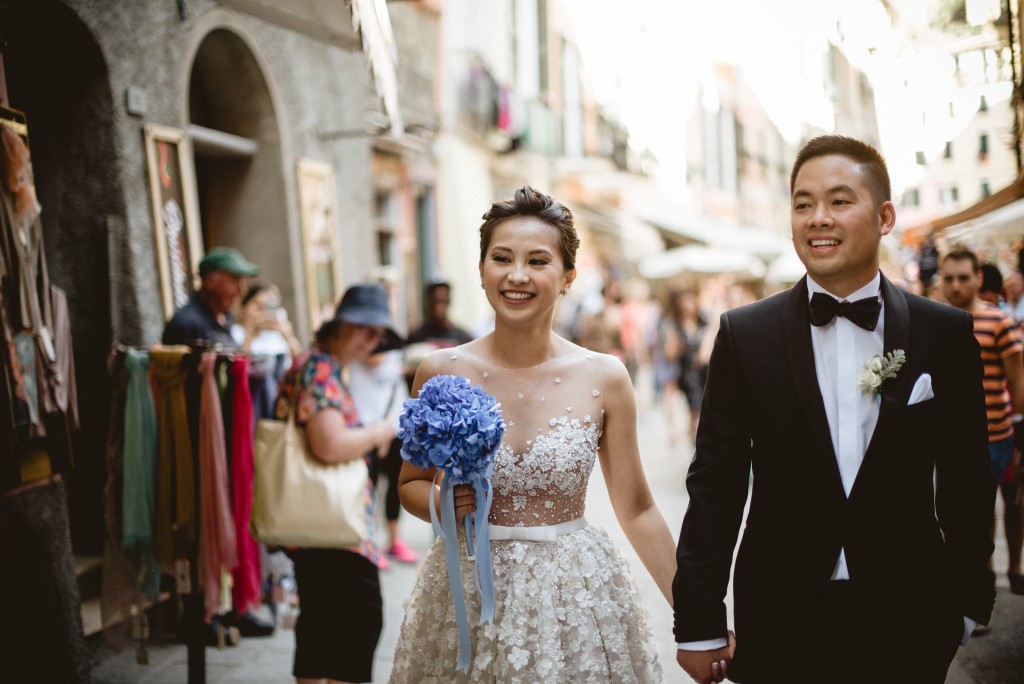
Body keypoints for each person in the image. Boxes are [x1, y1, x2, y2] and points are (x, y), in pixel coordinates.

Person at [673, 135, 995, 684]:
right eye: (803, 204)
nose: (817, 218)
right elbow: (715, 486)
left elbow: (967, 478)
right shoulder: (743, 335)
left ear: (885, 215)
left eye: (840, 201)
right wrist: (699, 621)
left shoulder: (946, 333)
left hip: (911, 615)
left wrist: (967, 602)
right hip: (780, 616)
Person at [388, 186, 677, 681]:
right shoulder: (439, 372)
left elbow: (637, 508)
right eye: (502, 258)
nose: (517, 275)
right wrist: (440, 500)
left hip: (573, 597)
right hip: (467, 591)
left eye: (537, 261)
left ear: (566, 278)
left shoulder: (605, 376)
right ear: (482, 271)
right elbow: (409, 483)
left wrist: (697, 617)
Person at [273, 282, 401, 684]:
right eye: (366, 328)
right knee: (360, 620)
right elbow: (328, 445)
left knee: (321, 625)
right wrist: (380, 430)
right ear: (342, 323)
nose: (373, 339)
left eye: (379, 333)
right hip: (331, 525)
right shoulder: (321, 369)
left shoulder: (318, 364)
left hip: (319, 524)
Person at [940, 249, 1024, 597]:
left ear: (977, 279)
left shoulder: (999, 321)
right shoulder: (937, 323)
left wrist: (1021, 437)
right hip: (957, 441)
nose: (956, 285)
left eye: (963, 277)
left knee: (1011, 506)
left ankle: (1015, 568)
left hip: (1000, 436)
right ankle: (983, 583)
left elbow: (1018, 380)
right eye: (948, 278)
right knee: (976, 515)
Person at [347, 345, 418, 569]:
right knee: (368, 487)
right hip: (364, 430)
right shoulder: (354, 359)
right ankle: (368, 542)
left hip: (396, 429)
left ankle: (394, 540)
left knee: (396, 486)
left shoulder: (394, 354)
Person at [162, 246, 259, 347]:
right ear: (210, 282)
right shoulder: (187, 324)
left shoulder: (224, 316)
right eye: (235, 281)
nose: (242, 290)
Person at [403, 280, 474, 388]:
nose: (439, 306)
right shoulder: (416, 336)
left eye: (443, 300)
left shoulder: (463, 337)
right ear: (427, 302)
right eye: (435, 301)